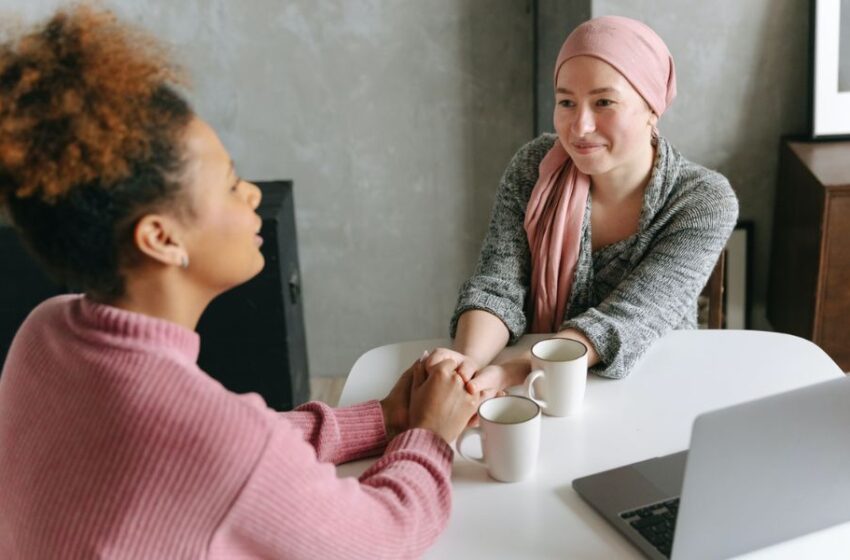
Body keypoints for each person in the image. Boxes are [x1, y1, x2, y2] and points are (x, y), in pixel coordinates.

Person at [0, 7, 480, 559]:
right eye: (230, 184)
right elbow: (387, 534)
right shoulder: (209, 436)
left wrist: (382, 419)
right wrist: (431, 435)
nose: (251, 194)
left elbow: (238, 452)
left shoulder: (45, 331)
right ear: (160, 238)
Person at [429, 16, 739, 395]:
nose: (580, 126)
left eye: (604, 102)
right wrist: (469, 365)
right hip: (541, 392)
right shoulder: (535, 168)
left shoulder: (702, 201)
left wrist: (516, 370)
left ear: (652, 107)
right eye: (566, 102)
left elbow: (629, 318)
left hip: (652, 389)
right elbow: (498, 287)